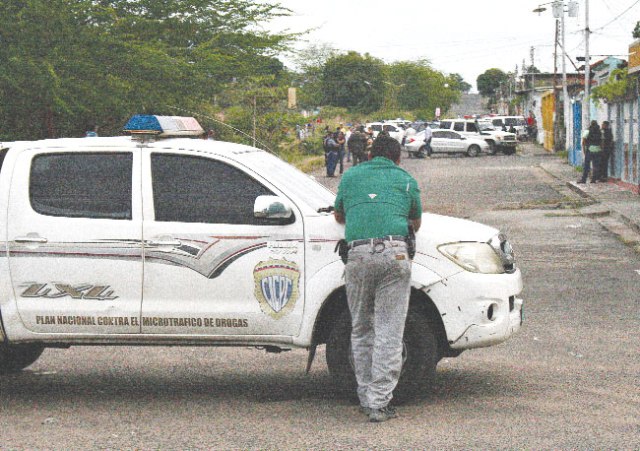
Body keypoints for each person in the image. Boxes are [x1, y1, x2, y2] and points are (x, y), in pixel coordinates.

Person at [334, 135, 422, 423]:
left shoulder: (350, 176)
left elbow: (339, 215)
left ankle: (364, 396)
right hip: (395, 256)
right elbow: (415, 221)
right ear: (397, 157)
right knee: (389, 332)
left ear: (370, 155)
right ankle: (379, 403)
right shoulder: (406, 178)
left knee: (361, 328)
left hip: (357, 255)